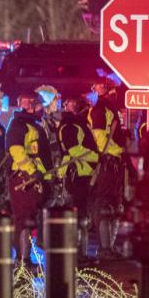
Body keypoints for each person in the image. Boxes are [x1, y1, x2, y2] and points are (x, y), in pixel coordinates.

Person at [6, 92, 52, 269]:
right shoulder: (19, 125)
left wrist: (47, 178)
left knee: (30, 219)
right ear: (31, 105)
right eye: (39, 105)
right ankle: (23, 261)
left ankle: (25, 259)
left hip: (34, 180)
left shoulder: (33, 125)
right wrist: (32, 172)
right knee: (24, 220)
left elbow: (42, 156)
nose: (42, 108)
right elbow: (16, 151)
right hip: (24, 180)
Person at [87, 76, 128, 256]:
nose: (113, 94)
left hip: (116, 162)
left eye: (114, 90)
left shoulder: (111, 108)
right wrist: (118, 150)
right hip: (107, 162)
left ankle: (110, 247)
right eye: (110, 90)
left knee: (115, 206)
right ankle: (104, 248)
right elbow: (100, 138)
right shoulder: (100, 110)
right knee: (104, 206)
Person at [56, 93, 99, 262]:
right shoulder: (69, 126)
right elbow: (75, 150)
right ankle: (73, 253)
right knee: (75, 216)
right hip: (75, 175)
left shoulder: (79, 124)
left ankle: (80, 253)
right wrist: (95, 156)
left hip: (83, 174)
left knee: (82, 216)